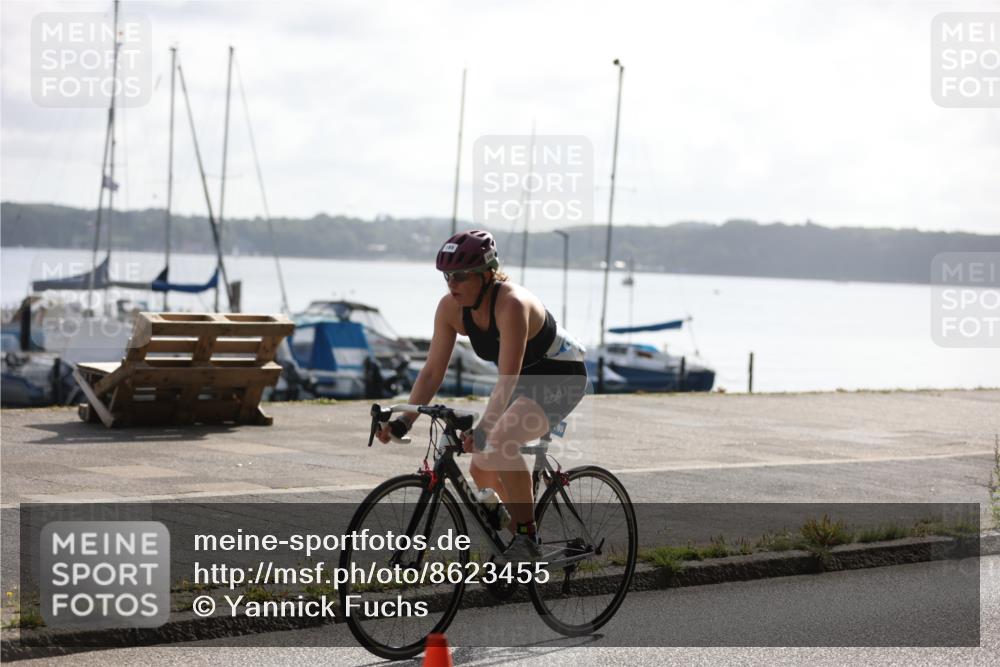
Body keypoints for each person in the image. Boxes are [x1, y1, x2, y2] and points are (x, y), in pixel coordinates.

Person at [377, 229, 588, 561]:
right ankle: (516, 541)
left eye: (461, 275)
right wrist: (405, 420)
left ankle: (527, 537)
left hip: (559, 376)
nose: (452, 283)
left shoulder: (511, 304)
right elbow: (432, 372)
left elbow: (507, 378)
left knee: (501, 439)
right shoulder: (451, 308)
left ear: (487, 274)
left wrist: (486, 428)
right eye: (447, 275)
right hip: (521, 379)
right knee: (481, 469)